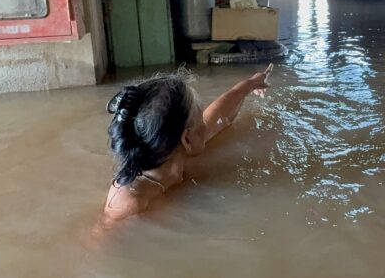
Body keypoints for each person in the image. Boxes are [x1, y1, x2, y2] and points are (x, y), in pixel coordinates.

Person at [99, 67, 271, 225]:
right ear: (187, 140)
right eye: (199, 120)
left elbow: (220, 113)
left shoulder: (172, 152)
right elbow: (99, 246)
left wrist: (251, 83)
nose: (205, 123)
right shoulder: (128, 203)